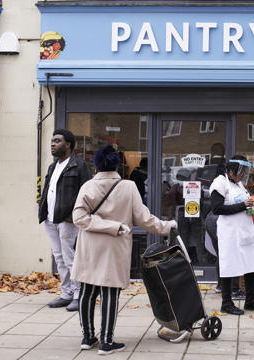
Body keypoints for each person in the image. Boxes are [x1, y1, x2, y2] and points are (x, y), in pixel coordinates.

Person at [71, 145, 177, 355]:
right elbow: (144, 219)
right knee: (110, 291)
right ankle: (107, 342)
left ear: (96, 165)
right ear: (117, 164)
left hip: (90, 247)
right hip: (115, 247)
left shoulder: (87, 187)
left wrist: (104, 225)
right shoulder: (128, 187)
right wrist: (167, 227)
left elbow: (78, 218)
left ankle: (87, 337)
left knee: (87, 291)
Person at [39, 129, 92, 312]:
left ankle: (78, 295)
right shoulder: (53, 166)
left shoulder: (79, 165)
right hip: (50, 219)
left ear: (68, 144)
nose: (53, 144)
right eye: (52, 141)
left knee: (71, 258)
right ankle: (66, 293)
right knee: (59, 258)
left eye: (57, 141)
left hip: (68, 220)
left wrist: (76, 214)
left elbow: (88, 193)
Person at [210, 155, 254, 315]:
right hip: (230, 233)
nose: (243, 175)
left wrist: (251, 209)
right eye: (240, 171)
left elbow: (243, 206)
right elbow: (217, 209)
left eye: (245, 172)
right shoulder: (220, 183)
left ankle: (250, 300)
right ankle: (226, 303)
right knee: (229, 267)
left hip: (245, 232)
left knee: (250, 265)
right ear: (230, 170)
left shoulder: (240, 186)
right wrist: (242, 206)